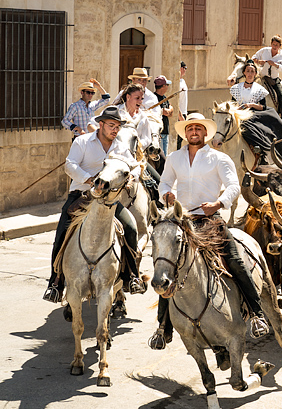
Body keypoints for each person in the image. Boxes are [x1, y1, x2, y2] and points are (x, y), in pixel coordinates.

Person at [159, 113, 270, 339]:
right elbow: (164, 183)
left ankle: (257, 313)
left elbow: (233, 187)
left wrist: (218, 203)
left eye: (198, 129)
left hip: (209, 218)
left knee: (236, 260)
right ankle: (163, 327)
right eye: (190, 129)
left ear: (206, 133)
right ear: (185, 133)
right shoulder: (174, 158)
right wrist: (166, 195)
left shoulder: (219, 159)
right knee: (165, 264)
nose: (194, 132)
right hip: (182, 220)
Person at [44, 106, 146, 305]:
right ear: (100, 125)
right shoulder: (83, 142)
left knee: (132, 227)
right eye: (111, 125)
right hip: (81, 197)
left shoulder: (120, 146)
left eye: (117, 127)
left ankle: (132, 276)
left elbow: (135, 165)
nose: (114, 130)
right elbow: (70, 165)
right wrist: (90, 180)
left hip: (108, 201)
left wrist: (131, 177)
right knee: (62, 234)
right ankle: (55, 283)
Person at [230, 59, 282, 165]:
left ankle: (265, 150)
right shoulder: (236, 88)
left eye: (252, 71)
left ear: (255, 74)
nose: (250, 74)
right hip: (240, 114)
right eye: (248, 71)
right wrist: (238, 109)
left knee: (255, 124)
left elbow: (263, 106)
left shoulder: (259, 89)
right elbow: (232, 104)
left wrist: (251, 105)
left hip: (254, 113)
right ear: (244, 73)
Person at [253, 35, 282, 120]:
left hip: (273, 79)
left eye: (277, 45)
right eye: (273, 44)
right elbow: (253, 58)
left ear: (280, 46)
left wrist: (275, 65)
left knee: (281, 94)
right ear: (271, 44)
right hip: (262, 77)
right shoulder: (264, 51)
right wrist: (258, 61)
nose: (274, 47)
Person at [154, 76, 174, 154]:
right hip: (159, 133)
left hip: (165, 131)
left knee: (165, 154)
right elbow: (164, 112)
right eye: (167, 85)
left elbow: (170, 112)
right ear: (163, 86)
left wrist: (168, 110)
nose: (168, 87)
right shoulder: (154, 98)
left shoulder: (164, 98)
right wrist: (167, 111)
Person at [177, 61, 188, 149]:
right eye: (185, 68)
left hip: (183, 113)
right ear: (181, 68)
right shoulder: (177, 83)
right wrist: (180, 115)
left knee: (181, 139)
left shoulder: (182, 81)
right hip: (179, 114)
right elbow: (176, 100)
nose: (185, 70)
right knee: (178, 138)